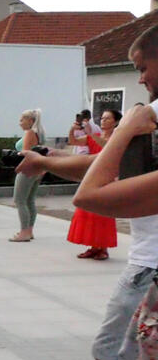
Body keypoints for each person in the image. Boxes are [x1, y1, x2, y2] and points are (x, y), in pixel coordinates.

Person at [14, 24, 158, 360]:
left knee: (111, 353)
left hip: (151, 269)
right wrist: (48, 159)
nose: (142, 82)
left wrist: (124, 128)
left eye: (142, 68)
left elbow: (94, 193)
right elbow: (106, 166)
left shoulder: (151, 117)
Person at [67, 109, 121, 260]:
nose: (103, 121)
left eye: (107, 118)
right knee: (87, 211)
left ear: (115, 122)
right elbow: (73, 141)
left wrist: (90, 134)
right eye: (102, 118)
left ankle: (102, 248)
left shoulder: (117, 137)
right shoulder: (94, 136)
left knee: (102, 214)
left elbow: (109, 148)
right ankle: (93, 246)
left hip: (106, 179)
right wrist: (73, 129)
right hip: (91, 177)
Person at [10, 108, 45, 242]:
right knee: (30, 200)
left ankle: (24, 231)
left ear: (30, 121)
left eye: (22, 119)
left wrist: (19, 166)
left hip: (27, 169)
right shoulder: (38, 134)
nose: (20, 122)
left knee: (20, 200)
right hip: (36, 169)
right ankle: (29, 230)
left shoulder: (30, 133)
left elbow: (25, 153)